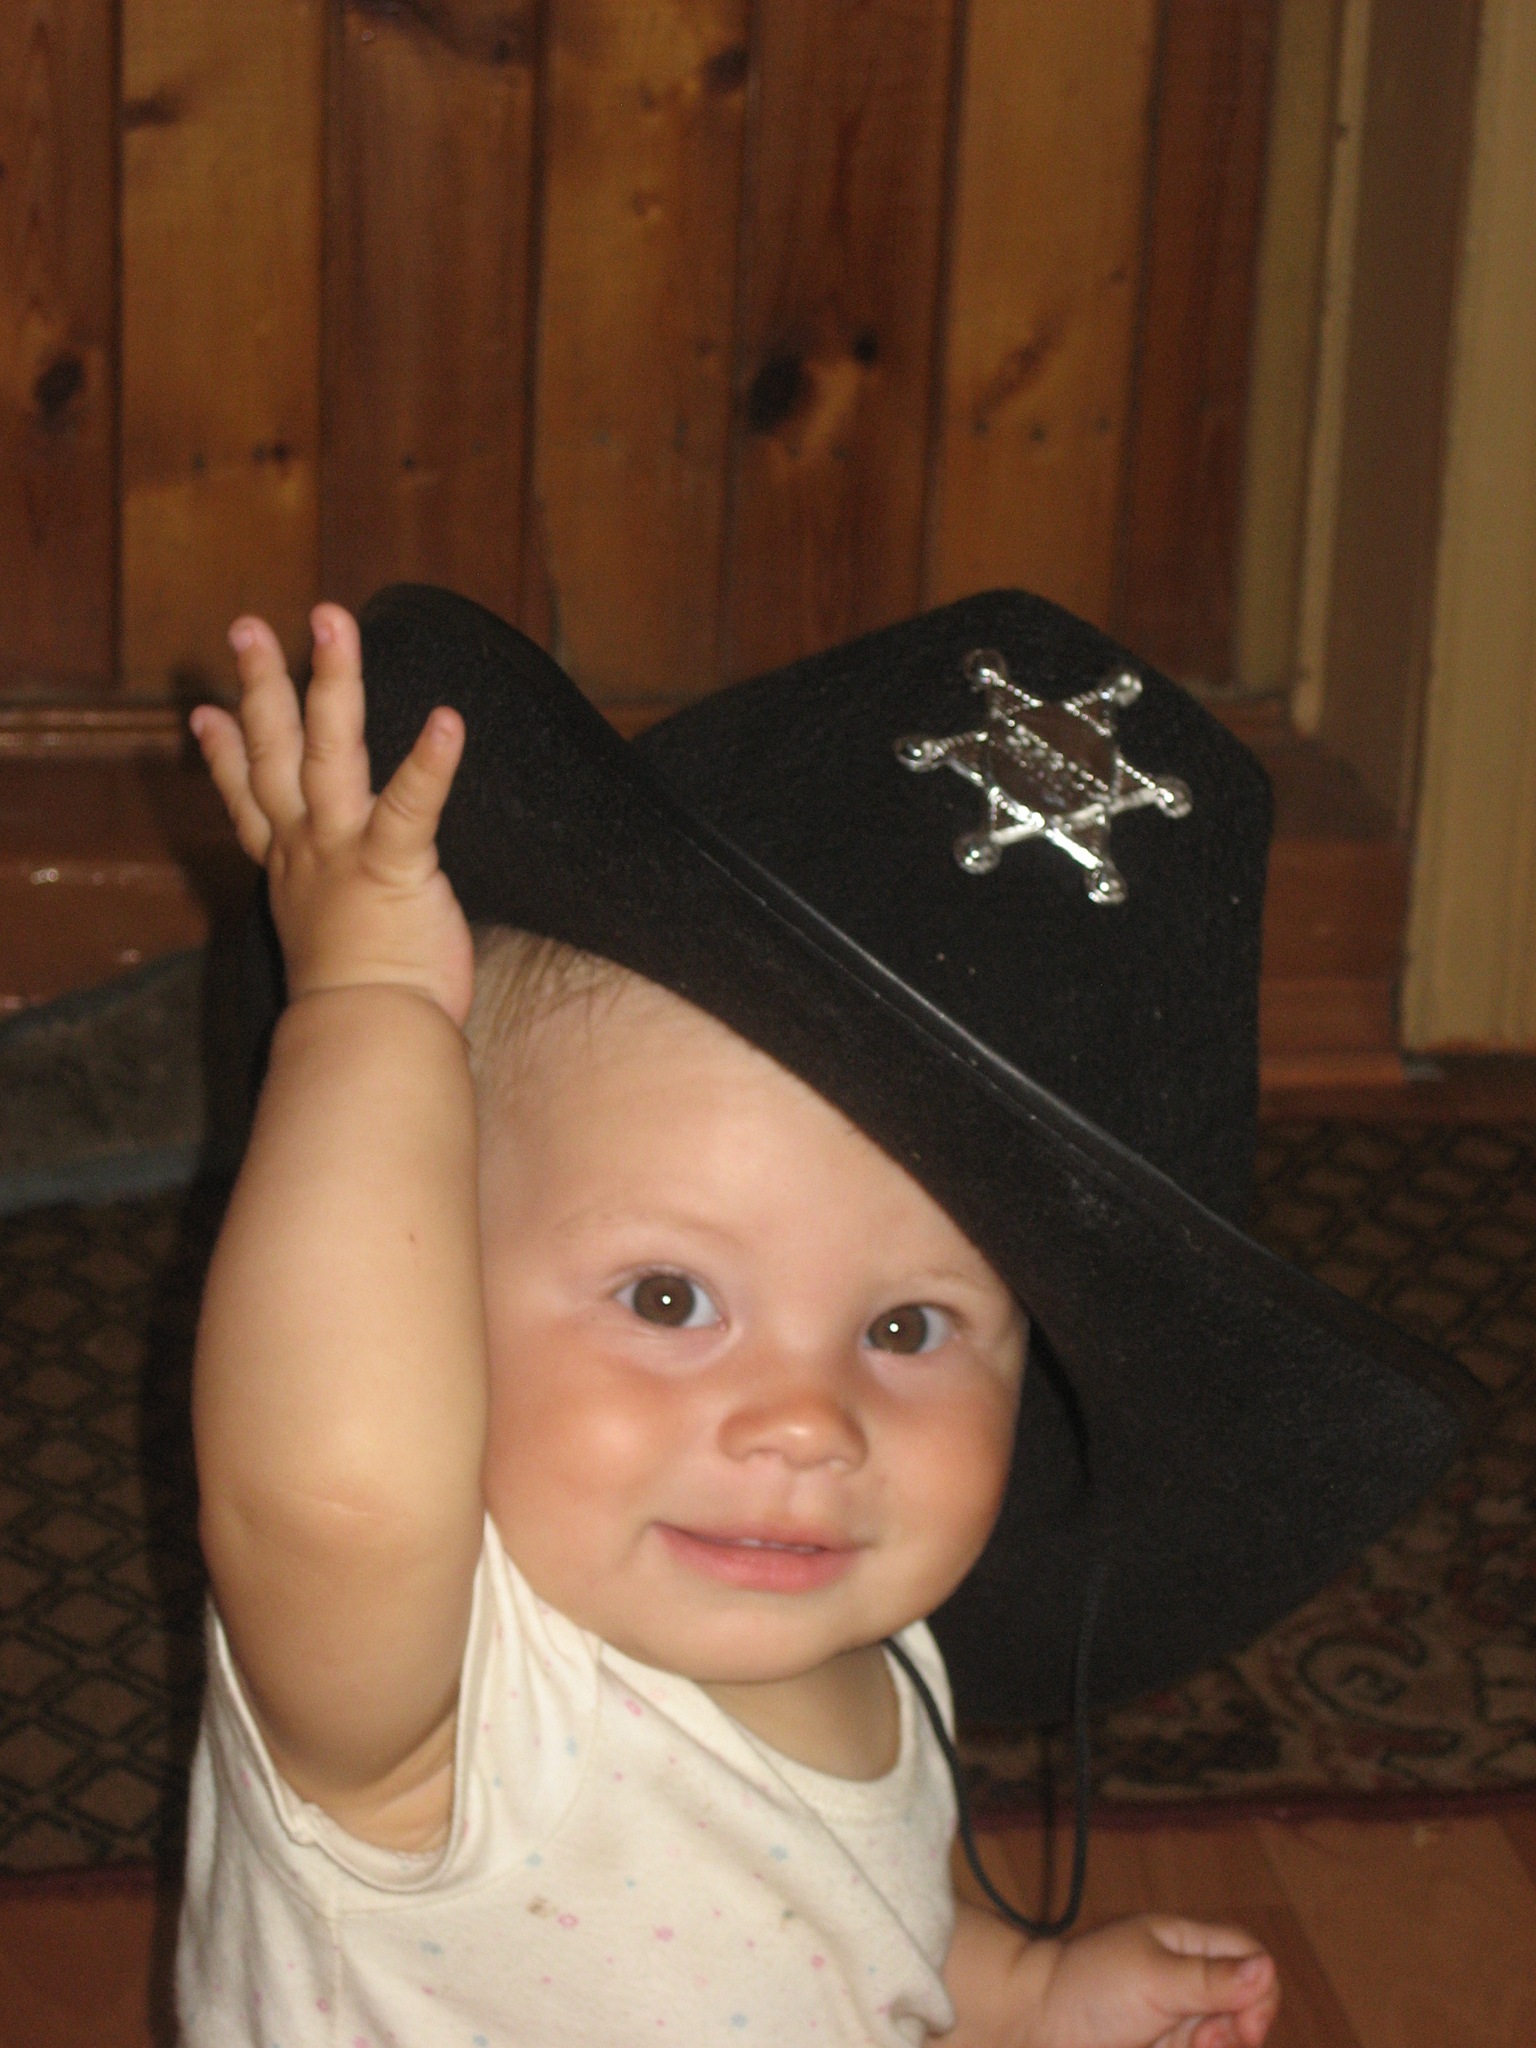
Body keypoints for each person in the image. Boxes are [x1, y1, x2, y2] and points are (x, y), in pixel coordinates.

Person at [176, 587, 1467, 2044]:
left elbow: (855, 1922)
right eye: (670, 1298)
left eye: (907, 1329)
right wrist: (364, 1004)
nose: (807, 1422)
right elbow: (332, 1499)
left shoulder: (873, 1654)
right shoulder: (429, 1707)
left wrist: (1025, 1991)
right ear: (428, 1296)